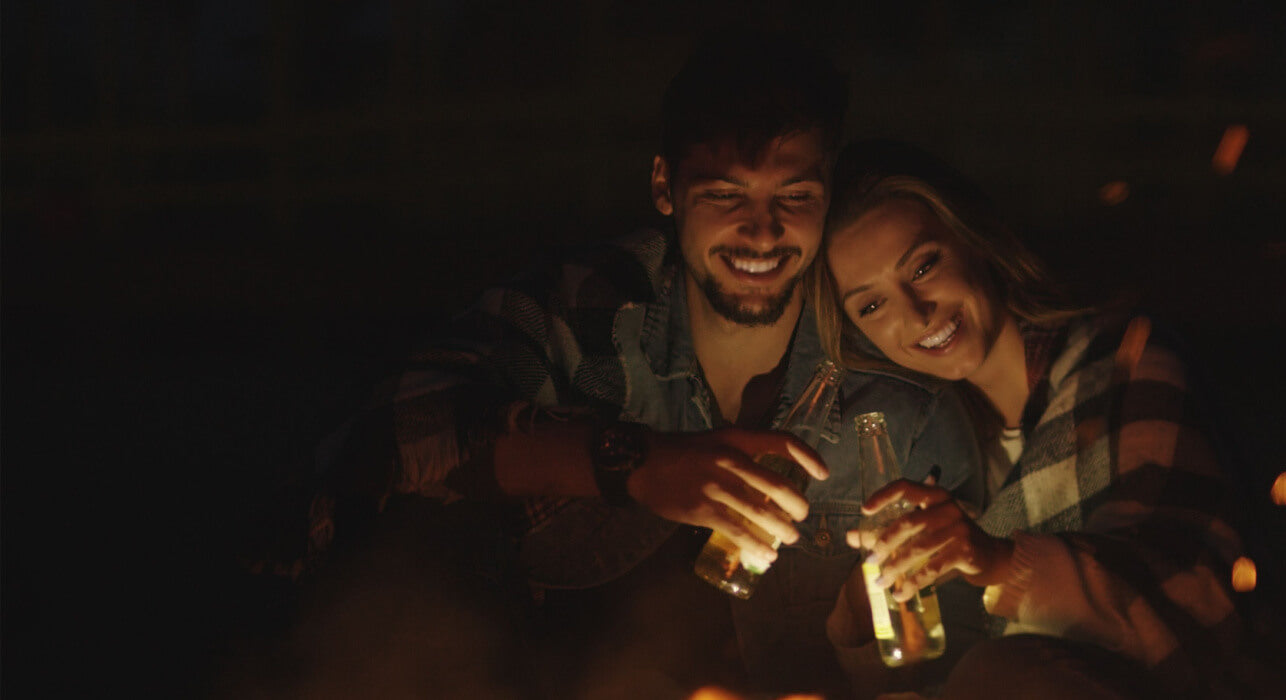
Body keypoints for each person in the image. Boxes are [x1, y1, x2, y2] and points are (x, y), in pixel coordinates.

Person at [303, 34, 979, 699]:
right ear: (664, 186)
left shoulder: (897, 398)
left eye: (794, 197)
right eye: (725, 195)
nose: (763, 232)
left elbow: (955, 664)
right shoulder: (596, 311)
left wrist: (872, 637)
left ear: (827, 197)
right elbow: (378, 434)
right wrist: (635, 465)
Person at [811, 141, 1266, 699]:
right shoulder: (936, 448)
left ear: (973, 241)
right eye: (872, 306)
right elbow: (925, 673)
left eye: (924, 266)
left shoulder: (1121, 365)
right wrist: (862, 610)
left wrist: (1000, 562)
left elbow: (1196, 604)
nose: (915, 313)